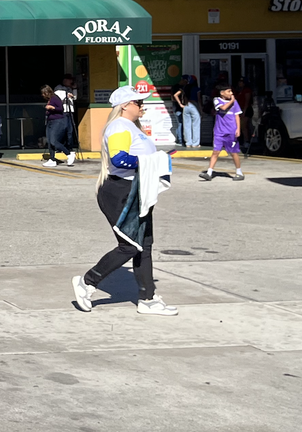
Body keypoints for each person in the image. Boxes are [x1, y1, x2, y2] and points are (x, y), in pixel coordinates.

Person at [72, 87, 178, 317]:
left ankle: (147, 298)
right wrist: (153, 161)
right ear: (124, 106)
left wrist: (158, 160)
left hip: (136, 191)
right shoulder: (119, 126)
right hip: (120, 191)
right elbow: (119, 159)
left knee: (144, 245)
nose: (142, 106)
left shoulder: (132, 127)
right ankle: (87, 282)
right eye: (138, 102)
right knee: (130, 245)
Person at [200, 84, 244, 182]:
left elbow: (237, 116)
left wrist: (238, 129)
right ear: (222, 93)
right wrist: (232, 101)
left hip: (231, 131)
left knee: (233, 152)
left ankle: (239, 172)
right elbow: (223, 108)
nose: (231, 93)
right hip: (219, 131)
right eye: (229, 91)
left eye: (231, 91)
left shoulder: (235, 102)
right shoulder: (217, 100)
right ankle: (209, 173)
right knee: (215, 152)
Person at [43, 79, 76, 167]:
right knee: (49, 141)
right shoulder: (50, 99)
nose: (43, 95)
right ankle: (52, 159)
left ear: (47, 92)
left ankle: (68, 154)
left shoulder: (55, 98)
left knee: (54, 141)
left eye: (44, 93)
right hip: (50, 121)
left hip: (57, 121)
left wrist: (52, 108)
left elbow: (61, 108)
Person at [174, 77, 200, 148]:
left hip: (186, 106)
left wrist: (180, 104)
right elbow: (199, 100)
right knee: (196, 125)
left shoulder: (184, 88)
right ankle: (195, 143)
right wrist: (200, 110)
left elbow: (175, 95)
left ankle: (188, 143)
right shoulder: (197, 89)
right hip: (194, 105)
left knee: (186, 125)